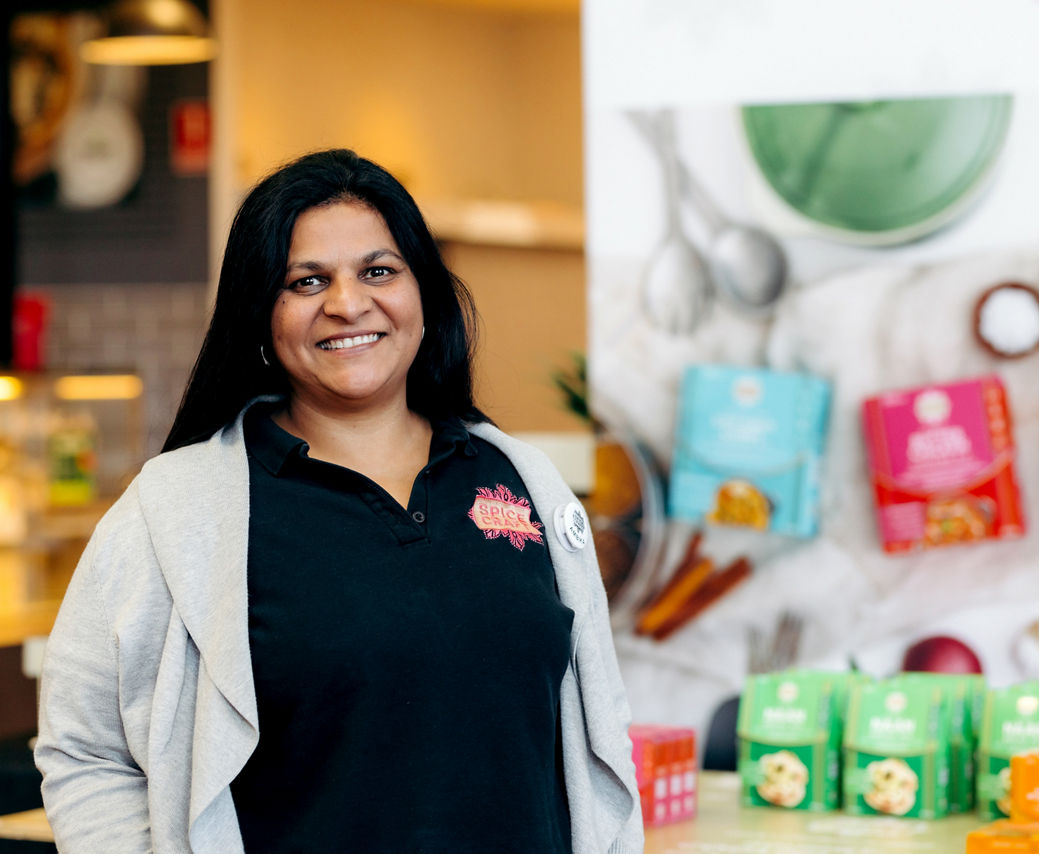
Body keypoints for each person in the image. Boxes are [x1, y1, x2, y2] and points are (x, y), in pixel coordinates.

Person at [34, 149, 643, 853]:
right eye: (306, 281)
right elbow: (85, 750)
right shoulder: (177, 511)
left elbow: (599, 728)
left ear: (426, 293)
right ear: (260, 313)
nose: (348, 303)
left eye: (379, 271)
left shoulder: (524, 482)